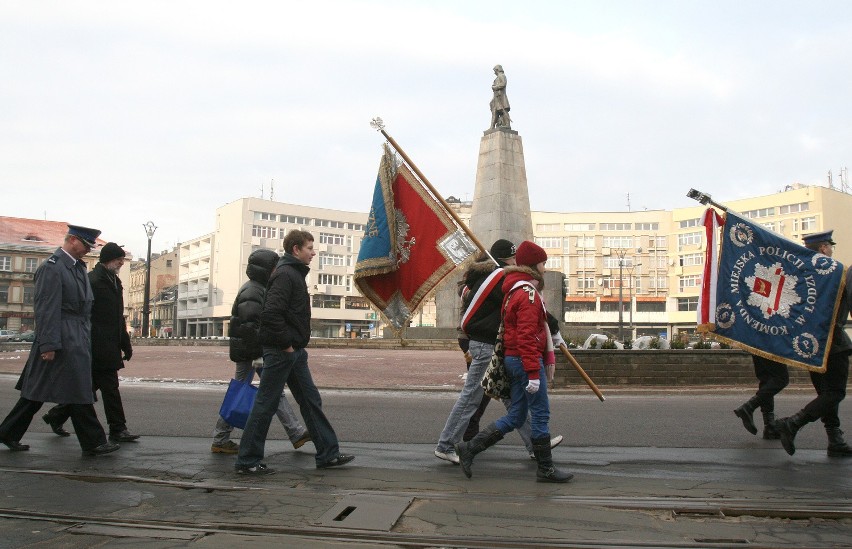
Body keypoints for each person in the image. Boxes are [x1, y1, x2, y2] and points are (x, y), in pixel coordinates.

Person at [234, 230, 354, 474]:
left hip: (294, 352)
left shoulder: (293, 273)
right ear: (296, 250)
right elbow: (270, 314)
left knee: (310, 400)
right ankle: (247, 461)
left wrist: (293, 346)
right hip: (282, 351)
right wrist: (287, 344)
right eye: (310, 247)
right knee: (265, 404)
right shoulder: (286, 275)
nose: (314, 252)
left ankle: (328, 453)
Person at [434, 239, 562, 465]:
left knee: (513, 398)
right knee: (472, 397)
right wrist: (553, 328)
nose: (516, 262)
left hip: (490, 342)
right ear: (508, 259)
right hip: (485, 343)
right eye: (513, 258)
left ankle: (536, 444)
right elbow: (529, 310)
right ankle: (445, 445)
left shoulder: (496, 277)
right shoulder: (500, 278)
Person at [0, 225, 119, 456]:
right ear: (72, 240)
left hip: (75, 336)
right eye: (85, 244)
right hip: (62, 338)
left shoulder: (75, 267)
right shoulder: (52, 269)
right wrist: (49, 344)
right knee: (77, 389)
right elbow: (46, 309)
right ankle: (93, 442)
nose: (88, 249)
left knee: (36, 393)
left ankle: (8, 432)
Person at [211, 248, 311, 454]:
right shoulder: (254, 291)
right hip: (253, 353)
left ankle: (295, 432)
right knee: (258, 391)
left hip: (251, 351)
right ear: (266, 269)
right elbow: (252, 326)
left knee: (254, 390)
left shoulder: (256, 288)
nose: (277, 270)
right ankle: (221, 438)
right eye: (275, 266)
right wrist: (266, 349)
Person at [42, 242, 141, 443]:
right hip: (95, 344)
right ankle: (117, 429)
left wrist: (125, 343)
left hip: (109, 345)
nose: (122, 262)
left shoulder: (114, 281)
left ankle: (56, 416)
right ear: (108, 260)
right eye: (118, 259)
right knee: (109, 388)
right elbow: (83, 314)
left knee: (89, 388)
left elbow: (118, 317)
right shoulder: (93, 281)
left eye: (122, 259)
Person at [773, 230, 852, 457]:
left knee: (826, 393)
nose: (831, 250)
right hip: (833, 340)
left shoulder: (798, 273)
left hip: (807, 343)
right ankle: (794, 423)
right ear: (824, 248)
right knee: (835, 392)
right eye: (830, 247)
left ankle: (835, 440)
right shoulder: (836, 272)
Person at [734, 355, 789, 439]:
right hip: (770, 344)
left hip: (757, 344)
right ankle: (749, 407)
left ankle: (769, 426)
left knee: (767, 379)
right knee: (781, 378)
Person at [489, 64, 511, 129]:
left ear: (497, 70)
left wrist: (495, 87)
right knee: (494, 110)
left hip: (501, 96)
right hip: (496, 97)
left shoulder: (502, 76)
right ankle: (492, 126)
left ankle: (507, 125)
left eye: (495, 71)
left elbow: (503, 84)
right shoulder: (497, 78)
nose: (494, 72)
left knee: (503, 110)